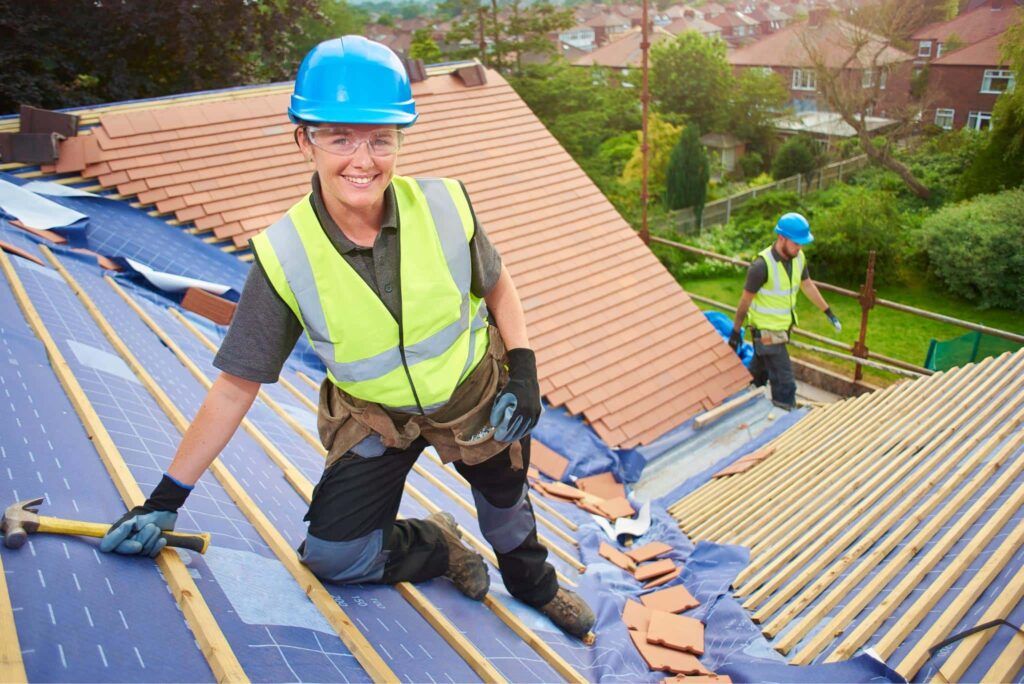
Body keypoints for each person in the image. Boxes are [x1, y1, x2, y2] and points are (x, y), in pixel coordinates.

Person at [99, 36, 595, 640]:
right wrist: (164, 498)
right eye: (339, 137)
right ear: (303, 139)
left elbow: (499, 287)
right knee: (332, 558)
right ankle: (437, 544)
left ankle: (534, 585)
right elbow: (234, 386)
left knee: (507, 511)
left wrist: (523, 369)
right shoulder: (285, 255)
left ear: (399, 141)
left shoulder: (443, 205)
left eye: (380, 138)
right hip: (376, 416)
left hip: (472, 397)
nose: (362, 159)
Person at [729, 212, 841, 410]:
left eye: (802, 244)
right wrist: (736, 331)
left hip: (781, 330)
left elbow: (807, 285)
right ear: (782, 238)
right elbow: (745, 300)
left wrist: (828, 312)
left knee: (758, 372)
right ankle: (785, 419)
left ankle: (742, 398)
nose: (800, 247)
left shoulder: (798, 258)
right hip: (766, 334)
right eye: (796, 243)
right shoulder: (761, 266)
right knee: (785, 384)